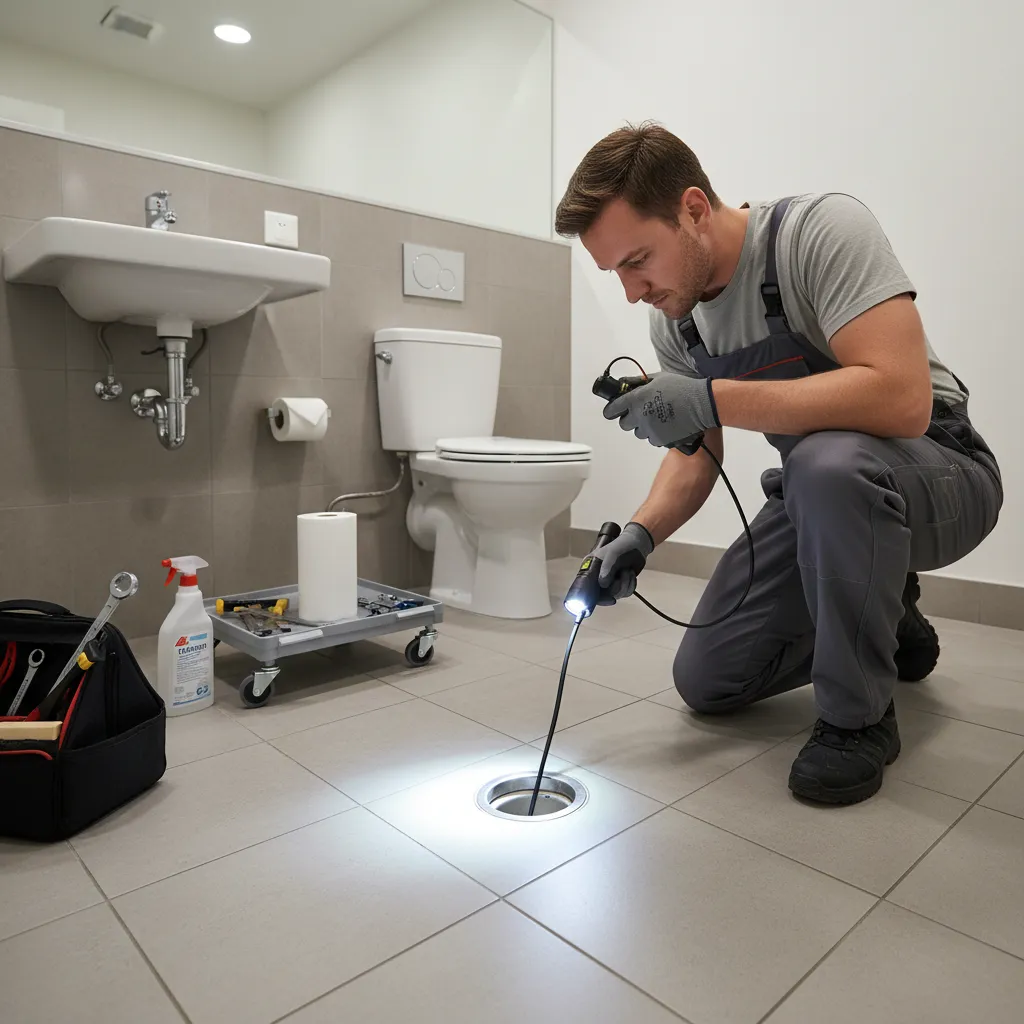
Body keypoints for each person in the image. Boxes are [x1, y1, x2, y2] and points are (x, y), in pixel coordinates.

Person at [555, 122, 1002, 805]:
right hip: (825, 494)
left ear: (694, 209)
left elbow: (903, 398)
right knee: (709, 681)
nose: (631, 291)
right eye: (615, 271)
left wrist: (708, 396)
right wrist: (640, 536)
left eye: (637, 260)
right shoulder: (676, 321)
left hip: (941, 469)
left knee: (824, 464)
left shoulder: (818, 233)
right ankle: (887, 610)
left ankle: (859, 722)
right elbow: (694, 460)